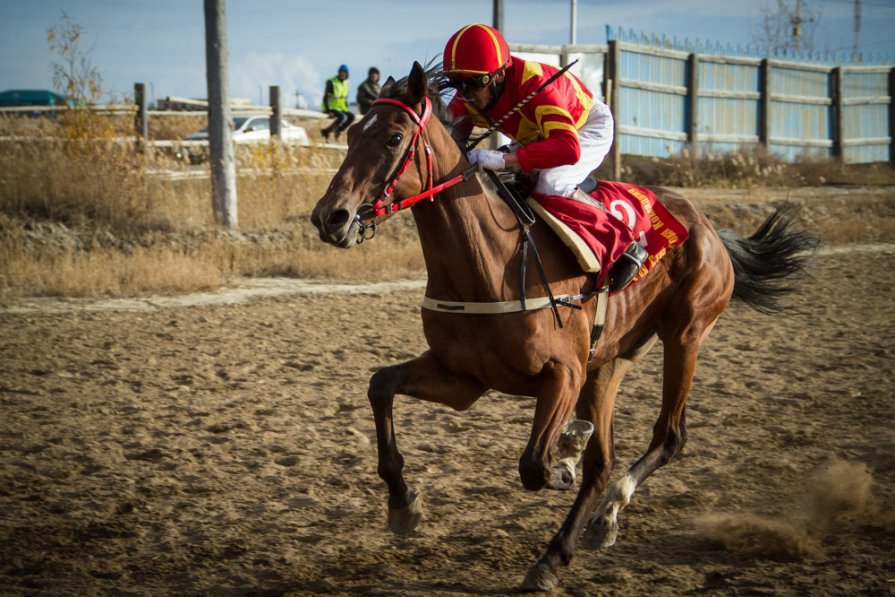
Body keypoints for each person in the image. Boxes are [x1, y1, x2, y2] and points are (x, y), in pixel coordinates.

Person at [442, 23, 648, 291]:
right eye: (457, 83)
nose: (467, 93)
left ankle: (623, 243)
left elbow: (568, 148)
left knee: (550, 183)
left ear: (500, 74)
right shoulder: (468, 95)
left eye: (474, 83)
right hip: (538, 134)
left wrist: (504, 159)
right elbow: (447, 145)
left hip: (584, 127)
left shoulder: (535, 84)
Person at [321, 64, 355, 142]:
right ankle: (326, 131)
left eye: (344, 72)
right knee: (343, 117)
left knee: (351, 117)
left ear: (347, 73)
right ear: (339, 72)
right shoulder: (332, 81)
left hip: (341, 107)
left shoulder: (347, 82)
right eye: (341, 72)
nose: (342, 74)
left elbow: (345, 97)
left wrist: (346, 108)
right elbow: (326, 96)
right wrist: (328, 110)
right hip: (331, 107)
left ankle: (338, 131)